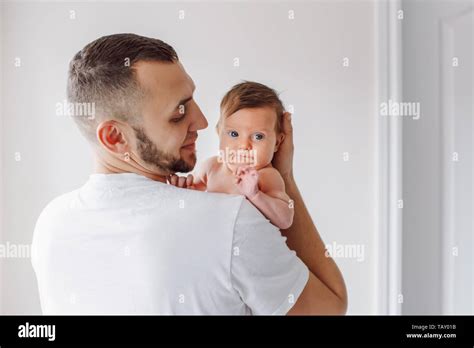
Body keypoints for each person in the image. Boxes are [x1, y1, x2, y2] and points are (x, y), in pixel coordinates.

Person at [31, 33, 347, 315]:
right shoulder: (232, 222)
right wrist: (284, 176)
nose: (203, 121)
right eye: (179, 112)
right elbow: (330, 308)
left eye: (192, 99)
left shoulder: (50, 224)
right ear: (115, 137)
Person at [169, 81, 294, 230]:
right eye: (234, 134)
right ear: (218, 132)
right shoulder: (211, 168)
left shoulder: (266, 176)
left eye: (258, 136)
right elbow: (194, 200)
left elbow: (285, 220)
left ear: (277, 143)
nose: (244, 145)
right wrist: (182, 192)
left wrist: (255, 195)